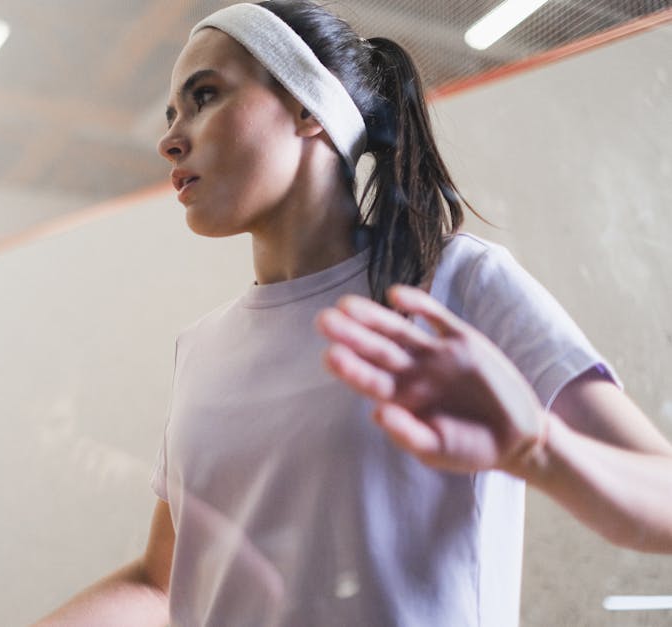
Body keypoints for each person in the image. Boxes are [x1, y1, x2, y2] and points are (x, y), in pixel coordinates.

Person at [35, 1, 672, 625]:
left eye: (204, 97)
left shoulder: (458, 284)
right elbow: (161, 583)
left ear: (307, 108)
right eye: (173, 113)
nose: (170, 139)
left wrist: (537, 448)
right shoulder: (200, 348)